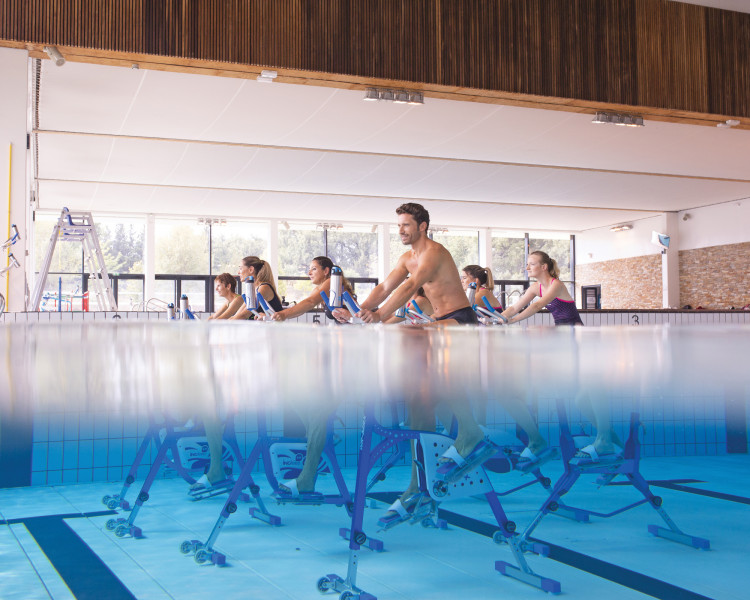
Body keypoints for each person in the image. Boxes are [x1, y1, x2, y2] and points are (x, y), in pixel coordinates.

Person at [337, 202, 477, 326]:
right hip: (441, 318)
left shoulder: (434, 252)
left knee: (414, 332)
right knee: (410, 335)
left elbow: (410, 286)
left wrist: (379, 315)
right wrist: (358, 312)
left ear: (422, 226)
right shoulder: (406, 259)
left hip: (461, 318)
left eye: (406, 225)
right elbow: (384, 288)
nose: (400, 231)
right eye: (399, 225)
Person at [497, 250, 583, 326]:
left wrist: (513, 320)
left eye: (532, 264)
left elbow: (537, 306)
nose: (527, 268)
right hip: (560, 329)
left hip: (575, 328)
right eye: (527, 264)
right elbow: (514, 308)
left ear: (544, 267)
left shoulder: (556, 284)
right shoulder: (535, 287)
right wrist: (497, 319)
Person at [270, 256, 353, 323]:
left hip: (354, 329)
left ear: (326, 271)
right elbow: (303, 308)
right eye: (309, 269)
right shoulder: (321, 288)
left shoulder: (332, 282)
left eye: (314, 269)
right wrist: (276, 315)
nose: (309, 273)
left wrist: (284, 314)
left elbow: (310, 302)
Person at [230, 256, 283, 320]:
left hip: (275, 329)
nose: (238, 272)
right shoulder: (252, 290)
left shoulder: (263, 288)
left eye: (240, 268)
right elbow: (239, 314)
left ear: (251, 269)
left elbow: (244, 315)